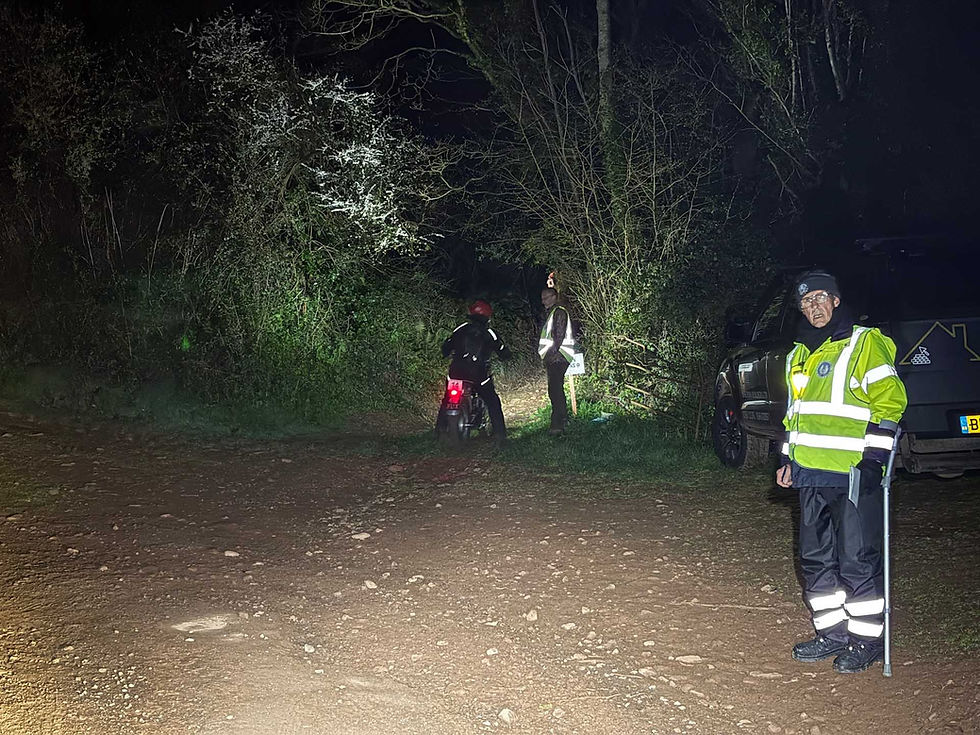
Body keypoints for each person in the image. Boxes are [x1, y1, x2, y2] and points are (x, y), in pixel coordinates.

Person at [776, 270, 907, 674]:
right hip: (810, 474)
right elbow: (795, 417)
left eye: (820, 298)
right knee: (815, 560)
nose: (814, 307)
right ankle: (831, 634)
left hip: (853, 474)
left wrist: (874, 461)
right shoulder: (798, 353)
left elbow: (890, 404)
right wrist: (787, 460)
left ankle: (866, 641)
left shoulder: (864, 343)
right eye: (806, 302)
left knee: (857, 561)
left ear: (835, 300)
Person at [441, 300, 511, 443]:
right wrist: (506, 356)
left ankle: (440, 430)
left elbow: (446, 346)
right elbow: (502, 350)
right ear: (488, 316)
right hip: (478, 374)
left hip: (456, 371)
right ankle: (500, 434)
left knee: (447, 399)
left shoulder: (460, 329)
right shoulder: (489, 332)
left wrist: (447, 353)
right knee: (492, 401)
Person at [538, 288, 575, 435]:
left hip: (558, 357)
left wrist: (550, 355)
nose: (544, 301)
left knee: (555, 391)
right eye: (542, 299)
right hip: (556, 357)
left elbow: (558, 336)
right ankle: (562, 419)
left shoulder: (559, 312)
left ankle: (557, 424)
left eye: (546, 298)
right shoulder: (553, 312)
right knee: (555, 390)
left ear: (554, 297)